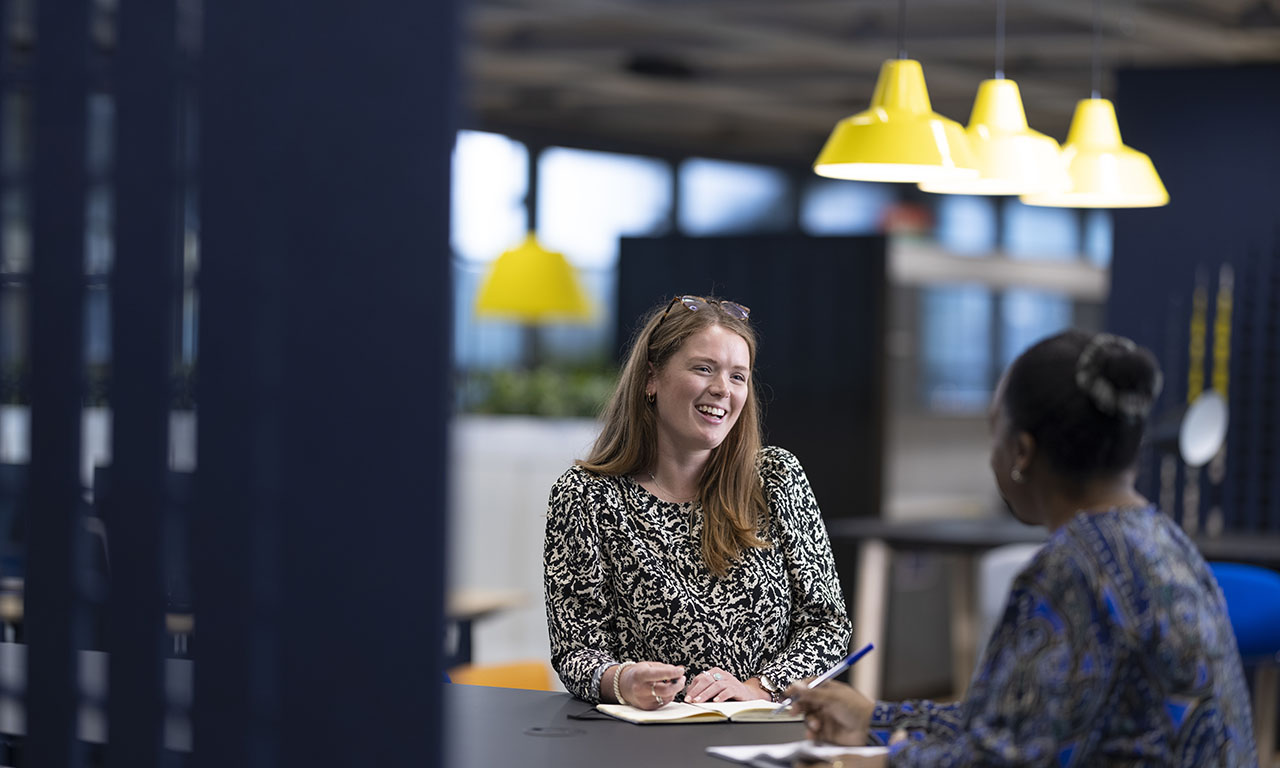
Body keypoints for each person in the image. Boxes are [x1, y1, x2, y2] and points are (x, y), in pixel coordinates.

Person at [788, 330, 1257, 767]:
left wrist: (875, 763)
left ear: (1021, 453)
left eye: (994, 432)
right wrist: (876, 720)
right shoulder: (1164, 541)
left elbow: (996, 759)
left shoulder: (1070, 571)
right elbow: (1021, 721)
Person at [543, 294, 852, 710]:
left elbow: (827, 625)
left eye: (738, 376)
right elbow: (577, 649)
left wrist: (756, 689)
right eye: (704, 368)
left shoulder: (776, 477)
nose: (723, 389)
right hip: (646, 742)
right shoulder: (585, 496)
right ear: (651, 378)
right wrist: (621, 680)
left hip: (762, 731)